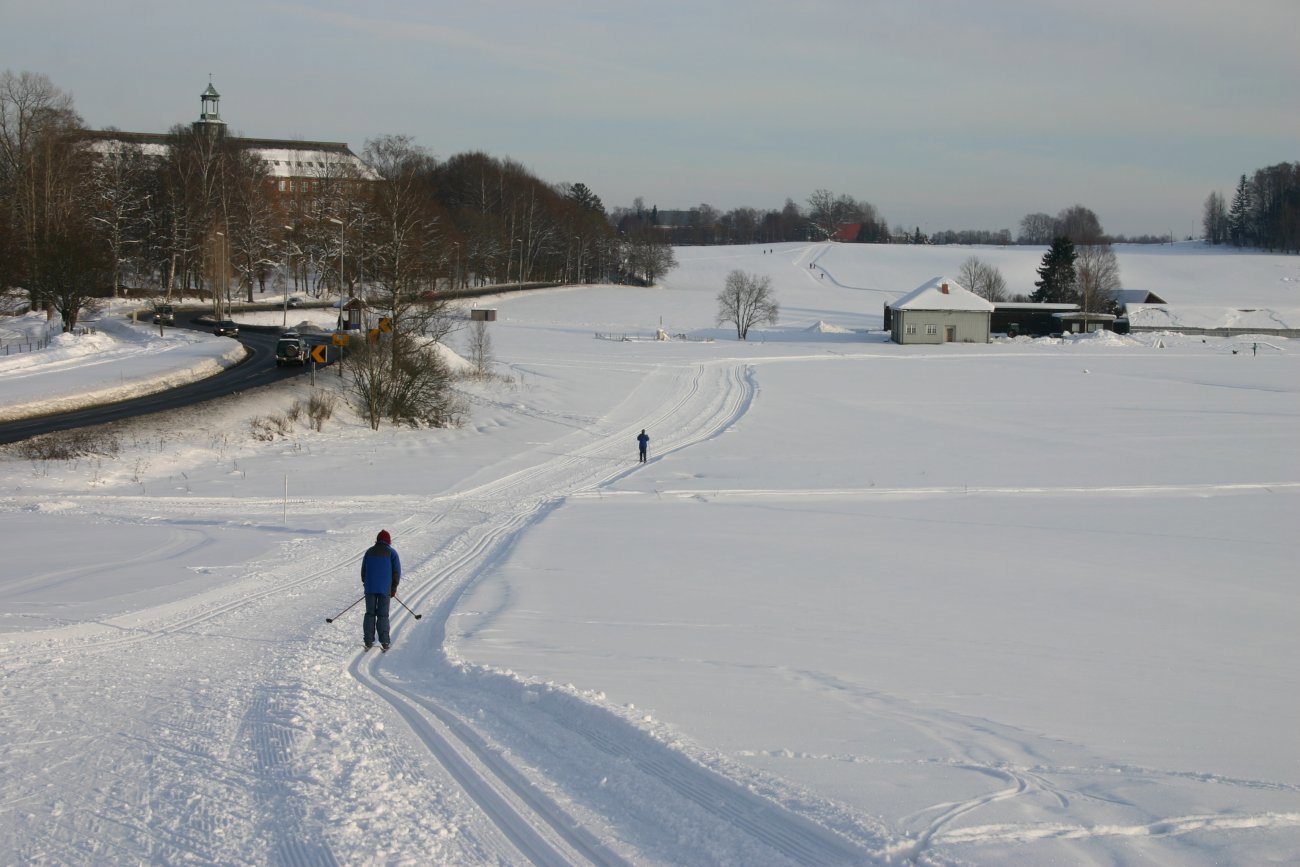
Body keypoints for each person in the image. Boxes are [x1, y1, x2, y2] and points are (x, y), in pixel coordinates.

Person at [361, 529, 401, 651]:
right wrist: (393, 588)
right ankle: (385, 642)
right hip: (385, 590)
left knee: (370, 614)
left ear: (377, 540)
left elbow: (364, 571)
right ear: (388, 541)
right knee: (383, 615)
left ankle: (368, 641)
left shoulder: (369, 551)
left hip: (370, 589)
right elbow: (396, 572)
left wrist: (366, 584)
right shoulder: (392, 553)